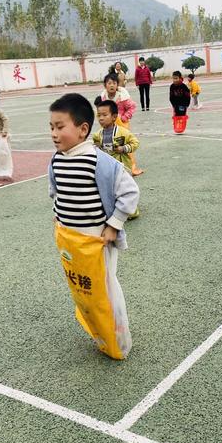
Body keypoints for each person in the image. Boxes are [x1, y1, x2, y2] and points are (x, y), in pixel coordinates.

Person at [48, 93, 140, 359]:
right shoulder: (56, 161)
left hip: (97, 240)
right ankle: (99, 330)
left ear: (83, 129)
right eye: (51, 127)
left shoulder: (99, 163)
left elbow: (130, 193)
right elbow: (57, 192)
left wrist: (114, 225)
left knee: (105, 287)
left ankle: (118, 335)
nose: (54, 133)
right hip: (71, 240)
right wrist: (59, 217)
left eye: (60, 126)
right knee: (83, 289)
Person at [93, 100, 142, 218]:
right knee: (109, 190)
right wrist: (97, 147)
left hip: (122, 167)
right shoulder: (98, 135)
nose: (101, 118)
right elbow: (95, 146)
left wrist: (123, 148)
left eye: (104, 115)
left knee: (125, 189)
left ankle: (131, 211)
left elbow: (135, 143)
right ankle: (113, 211)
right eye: (99, 115)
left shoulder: (123, 132)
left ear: (114, 117)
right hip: (106, 169)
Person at [97, 73, 142, 175]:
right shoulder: (103, 97)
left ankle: (131, 167)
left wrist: (124, 117)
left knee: (126, 146)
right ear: (105, 85)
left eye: (114, 83)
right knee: (109, 147)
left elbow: (132, 107)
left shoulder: (122, 96)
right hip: (108, 127)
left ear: (117, 85)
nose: (112, 85)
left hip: (122, 126)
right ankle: (112, 167)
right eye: (109, 83)